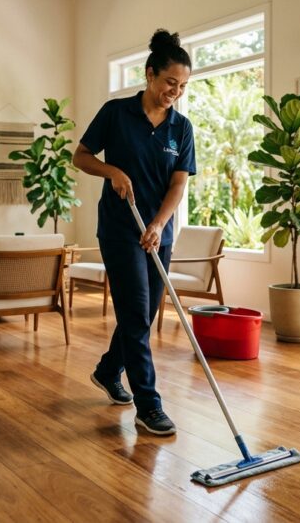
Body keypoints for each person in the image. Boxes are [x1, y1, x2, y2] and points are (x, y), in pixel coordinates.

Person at [73, 29, 196, 436]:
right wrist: (112, 172)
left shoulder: (182, 128)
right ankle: (149, 405)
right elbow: (82, 156)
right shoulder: (115, 113)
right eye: (169, 82)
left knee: (141, 315)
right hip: (120, 229)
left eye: (181, 86)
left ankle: (108, 371)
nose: (174, 92)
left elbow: (179, 185)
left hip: (158, 233)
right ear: (149, 75)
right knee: (136, 314)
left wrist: (160, 224)